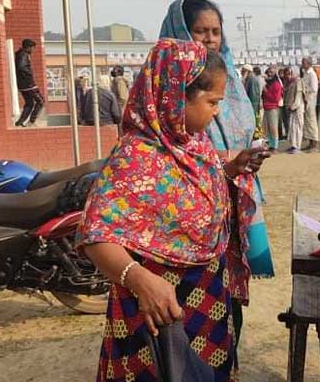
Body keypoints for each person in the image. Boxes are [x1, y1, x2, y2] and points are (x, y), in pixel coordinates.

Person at [79, 39, 270, 382]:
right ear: (175, 95)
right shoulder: (135, 157)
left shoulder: (194, 144)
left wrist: (231, 169)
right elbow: (96, 234)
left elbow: (182, 194)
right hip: (155, 310)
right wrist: (139, 280)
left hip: (207, 301)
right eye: (212, 102)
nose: (216, 112)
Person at [159, 0, 276, 372]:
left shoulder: (231, 78)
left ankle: (224, 359)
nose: (209, 39)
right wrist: (226, 164)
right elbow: (175, 157)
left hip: (231, 202)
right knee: (195, 297)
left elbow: (243, 128)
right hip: (190, 212)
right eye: (199, 31)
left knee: (228, 294)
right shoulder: (166, 87)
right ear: (180, 32)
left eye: (215, 31)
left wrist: (247, 157)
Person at [14, 39, 44, 127]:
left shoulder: (20, 54)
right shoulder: (23, 54)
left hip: (22, 84)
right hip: (28, 84)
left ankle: (20, 122)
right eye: (32, 48)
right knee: (41, 101)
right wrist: (30, 73)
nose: (32, 50)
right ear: (28, 47)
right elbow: (21, 67)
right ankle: (31, 121)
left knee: (29, 103)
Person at [283, 67, 306, 154]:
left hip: (298, 108)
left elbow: (298, 97)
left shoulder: (299, 82)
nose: (288, 76)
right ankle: (293, 145)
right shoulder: (291, 83)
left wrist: (293, 106)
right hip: (292, 108)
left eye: (290, 74)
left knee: (297, 128)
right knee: (292, 128)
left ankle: (297, 146)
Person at [261, 67, 283, 151]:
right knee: (266, 128)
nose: (269, 74)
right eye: (268, 72)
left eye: (271, 72)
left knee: (273, 128)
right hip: (266, 108)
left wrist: (266, 92)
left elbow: (276, 99)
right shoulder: (267, 84)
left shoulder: (276, 84)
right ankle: (269, 144)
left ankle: (274, 146)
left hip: (273, 108)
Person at [301, 57, 319, 152]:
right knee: (307, 122)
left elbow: (314, 89)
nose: (302, 64)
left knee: (312, 122)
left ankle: (314, 144)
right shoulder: (305, 73)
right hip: (305, 100)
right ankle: (310, 143)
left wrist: (307, 94)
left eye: (303, 62)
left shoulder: (312, 74)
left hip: (311, 100)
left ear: (308, 63)